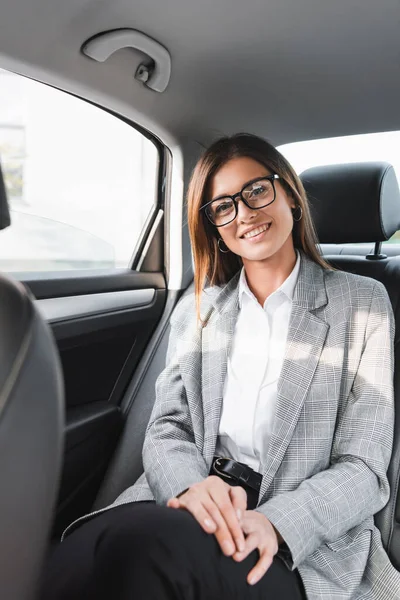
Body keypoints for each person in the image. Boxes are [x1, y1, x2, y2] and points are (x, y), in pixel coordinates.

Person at [40, 133, 399, 600]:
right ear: (215, 228)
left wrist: (278, 522)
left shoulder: (363, 302)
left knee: (143, 557)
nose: (244, 214)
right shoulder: (199, 311)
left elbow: (365, 466)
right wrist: (190, 488)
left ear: (289, 193)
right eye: (223, 206)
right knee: (66, 564)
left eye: (256, 190)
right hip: (188, 498)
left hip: (297, 536)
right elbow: (168, 428)